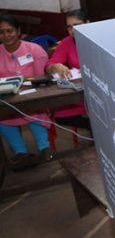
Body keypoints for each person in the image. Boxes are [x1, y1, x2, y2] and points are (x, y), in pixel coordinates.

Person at [0, 15, 52, 170]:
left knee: (36, 110)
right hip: (7, 98)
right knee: (1, 115)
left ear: (18, 31)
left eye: (10, 31)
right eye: (1, 32)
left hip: (32, 94)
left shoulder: (34, 50)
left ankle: (44, 148)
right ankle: (21, 152)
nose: (6, 35)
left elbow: (40, 78)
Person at [45, 9, 90, 130]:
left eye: (77, 25)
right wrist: (55, 66)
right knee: (60, 116)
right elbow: (49, 66)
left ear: (88, 23)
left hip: (100, 90)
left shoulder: (100, 39)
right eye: (69, 27)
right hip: (80, 93)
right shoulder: (66, 43)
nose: (72, 30)